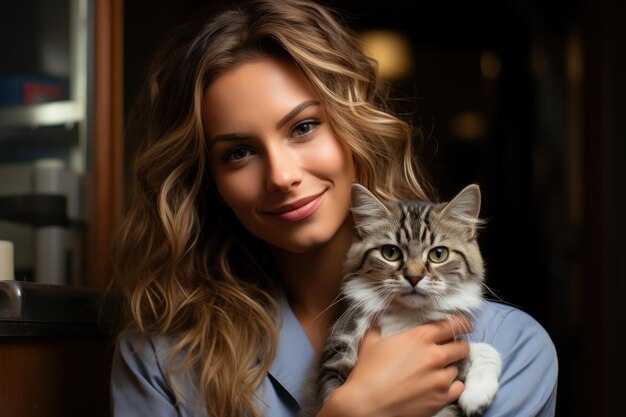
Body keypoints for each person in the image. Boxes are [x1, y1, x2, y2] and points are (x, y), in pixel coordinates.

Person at [109, 0, 558, 416]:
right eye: (238, 152)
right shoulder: (158, 359)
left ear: (355, 129)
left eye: (303, 127)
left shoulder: (514, 348)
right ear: (209, 182)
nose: (281, 176)